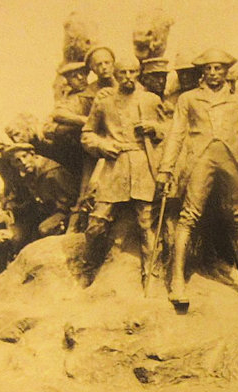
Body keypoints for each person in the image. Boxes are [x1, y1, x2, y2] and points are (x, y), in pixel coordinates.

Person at [156, 48, 238, 311]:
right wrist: (166, 168)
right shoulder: (188, 99)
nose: (214, 73)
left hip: (231, 161)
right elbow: (176, 135)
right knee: (189, 217)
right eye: (209, 69)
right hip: (200, 159)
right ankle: (177, 283)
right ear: (202, 72)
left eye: (219, 68)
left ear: (226, 71)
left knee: (236, 219)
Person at [79, 55, 166, 282]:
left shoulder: (151, 100)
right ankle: (87, 270)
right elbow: (87, 134)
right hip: (114, 166)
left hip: (142, 165)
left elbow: (168, 131)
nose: (128, 78)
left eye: (133, 72)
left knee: (146, 222)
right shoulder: (104, 102)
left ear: (138, 74)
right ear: (116, 76)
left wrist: (154, 128)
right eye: (123, 73)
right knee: (97, 222)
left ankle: (151, 272)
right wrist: (102, 145)